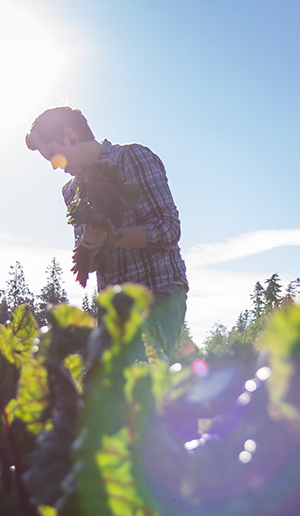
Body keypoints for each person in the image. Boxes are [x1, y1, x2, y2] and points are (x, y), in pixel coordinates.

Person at [25, 106, 188, 359]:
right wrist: (90, 248)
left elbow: (168, 228)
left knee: (140, 387)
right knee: (109, 392)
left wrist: (112, 236)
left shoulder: (132, 158)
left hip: (157, 292)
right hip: (113, 309)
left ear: (70, 135)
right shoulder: (71, 191)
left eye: (54, 156)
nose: (55, 167)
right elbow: (89, 264)